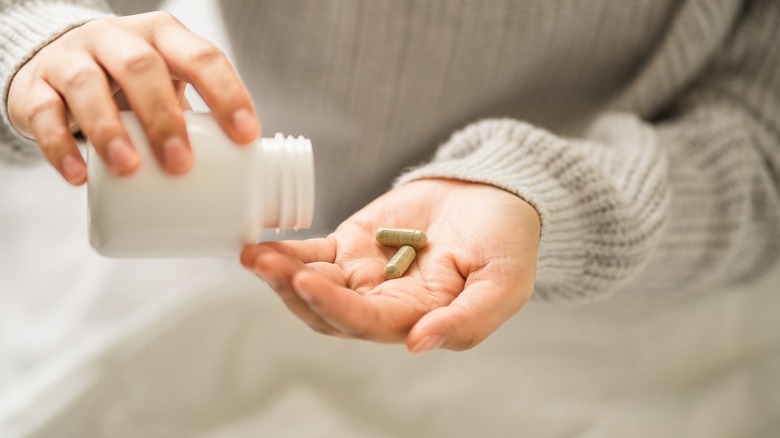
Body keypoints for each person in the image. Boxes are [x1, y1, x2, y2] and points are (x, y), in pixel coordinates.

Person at [1, 0, 779, 433]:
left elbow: (764, 137)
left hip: (644, 278)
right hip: (273, 239)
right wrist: (36, 40)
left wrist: (550, 199)